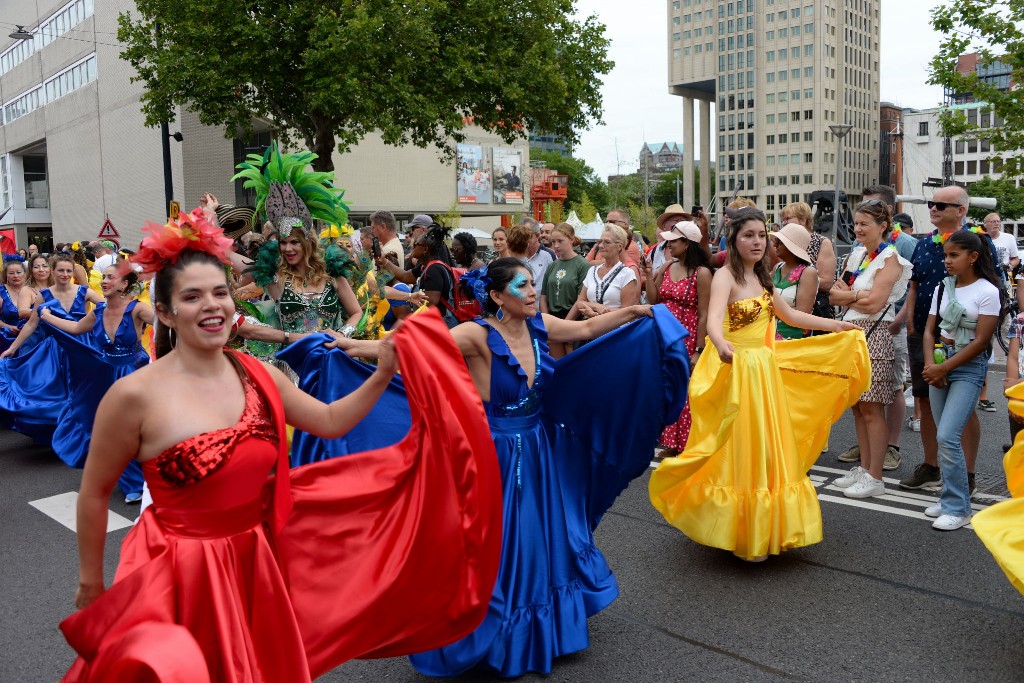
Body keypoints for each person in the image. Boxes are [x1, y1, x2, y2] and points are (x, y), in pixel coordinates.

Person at [57, 224, 504, 681]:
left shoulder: (257, 373)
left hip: (257, 564)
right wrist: (92, 583)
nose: (212, 305)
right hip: (179, 574)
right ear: (167, 314)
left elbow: (330, 422)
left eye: (219, 293)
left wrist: (381, 372)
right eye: (193, 297)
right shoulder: (134, 397)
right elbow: (94, 494)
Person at [332, 257, 689, 677]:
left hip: (536, 447)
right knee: (497, 540)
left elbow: (588, 329)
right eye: (521, 286)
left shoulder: (542, 327)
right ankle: (486, 632)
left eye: (531, 284)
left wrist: (636, 312)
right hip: (493, 452)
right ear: (498, 297)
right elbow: (409, 347)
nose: (532, 292)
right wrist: (354, 347)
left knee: (537, 538)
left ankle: (540, 630)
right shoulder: (476, 335)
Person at [649, 206, 868, 561]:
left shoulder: (764, 278)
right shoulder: (725, 277)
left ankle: (766, 527)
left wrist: (838, 326)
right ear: (733, 240)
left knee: (765, 447)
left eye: (761, 236)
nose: (756, 242)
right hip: (738, 369)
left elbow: (791, 315)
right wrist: (719, 343)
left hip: (762, 370)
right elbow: (715, 319)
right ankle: (741, 529)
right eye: (748, 235)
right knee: (739, 447)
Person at [900, 185, 998, 494]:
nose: (934, 208)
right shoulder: (925, 243)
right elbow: (914, 285)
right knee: (926, 402)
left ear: (961, 211)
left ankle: (966, 474)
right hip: (927, 335)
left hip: (964, 339)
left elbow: (990, 284)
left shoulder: (978, 242)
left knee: (962, 408)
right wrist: (913, 329)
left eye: (942, 204)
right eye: (932, 203)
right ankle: (932, 466)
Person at [41, 264, 153, 503]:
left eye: (111, 278)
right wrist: (48, 317)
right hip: (103, 376)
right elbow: (75, 328)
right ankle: (132, 481)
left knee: (135, 429)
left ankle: (147, 475)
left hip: (133, 374)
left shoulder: (138, 309)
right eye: (103, 277)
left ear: (124, 284)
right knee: (110, 430)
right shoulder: (98, 311)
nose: (104, 281)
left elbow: (167, 323)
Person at [829, 200, 913, 498]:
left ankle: (875, 476)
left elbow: (875, 303)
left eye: (865, 223)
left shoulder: (891, 260)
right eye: (857, 222)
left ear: (883, 227)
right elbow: (833, 295)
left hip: (874, 335)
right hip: (851, 332)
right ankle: (865, 469)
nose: (858, 228)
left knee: (873, 408)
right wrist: (856, 296)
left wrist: (848, 296)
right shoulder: (856, 256)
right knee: (858, 406)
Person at [921, 229, 1001, 530]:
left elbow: (981, 342)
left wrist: (942, 369)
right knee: (945, 434)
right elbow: (930, 330)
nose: (948, 261)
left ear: (973, 257)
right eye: (946, 255)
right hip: (940, 363)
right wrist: (932, 365)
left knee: (948, 436)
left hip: (968, 366)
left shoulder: (987, 291)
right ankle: (949, 498)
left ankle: (959, 507)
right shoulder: (943, 288)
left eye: (954, 255)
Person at [0, 254, 101, 445]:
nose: (65, 274)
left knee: (85, 389)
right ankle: (64, 432)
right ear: (53, 271)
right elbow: (30, 324)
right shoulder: (44, 296)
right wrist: (12, 348)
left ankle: (85, 430)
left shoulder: (84, 291)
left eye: (69, 271)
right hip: (54, 350)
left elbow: (106, 308)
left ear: (73, 273)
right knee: (57, 392)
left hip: (82, 346)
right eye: (61, 270)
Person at [642, 219, 712, 455]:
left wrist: (698, 349)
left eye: (674, 241)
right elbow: (653, 300)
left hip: (688, 336)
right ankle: (672, 442)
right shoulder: (666, 267)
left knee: (686, 391)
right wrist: (649, 274)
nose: (668, 246)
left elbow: (704, 314)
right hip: (663, 336)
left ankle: (686, 444)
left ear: (688, 243)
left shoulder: (702, 273)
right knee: (667, 386)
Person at [779, 202, 837, 319]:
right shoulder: (783, 244)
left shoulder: (821, 242)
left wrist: (799, 281)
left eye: (788, 219)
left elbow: (826, 282)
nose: (784, 223)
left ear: (803, 220)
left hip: (815, 311)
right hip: (785, 309)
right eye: (783, 220)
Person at [570, 224, 640, 322]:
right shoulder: (592, 271)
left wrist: (597, 314)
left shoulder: (627, 274)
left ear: (619, 246)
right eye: (600, 242)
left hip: (615, 330)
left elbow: (627, 313)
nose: (601, 246)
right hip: (590, 329)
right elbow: (580, 302)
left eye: (607, 242)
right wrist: (596, 307)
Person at [540, 223, 590, 358]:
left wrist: (565, 324)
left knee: (572, 365)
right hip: (553, 318)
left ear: (572, 240)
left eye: (560, 241)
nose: (556, 245)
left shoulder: (582, 264)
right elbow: (543, 296)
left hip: (572, 319)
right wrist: (547, 320)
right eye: (553, 241)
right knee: (556, 365)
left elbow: (582, 298)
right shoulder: (552, 265)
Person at [769, 223, 818, 340]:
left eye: (779, 242)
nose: (774, 244)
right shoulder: (777, 267)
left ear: (792, 246)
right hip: (768, 336)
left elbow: (802, 315)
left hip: (792, 340)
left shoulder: (808, 272)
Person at [0, 258, 29, 353]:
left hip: (31, 340)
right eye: (11, 273)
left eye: (18, 272)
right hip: (7, 339)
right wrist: (7, 326)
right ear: (6, 275)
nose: (15, 276)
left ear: (25, 273)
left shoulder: (33, 290)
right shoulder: (1, 291)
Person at [524, 218, 554, 285]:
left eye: (526, 234)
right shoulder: (516, 255)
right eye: (542, 232)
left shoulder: (549, 255)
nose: (543, 235)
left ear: (537, 235)